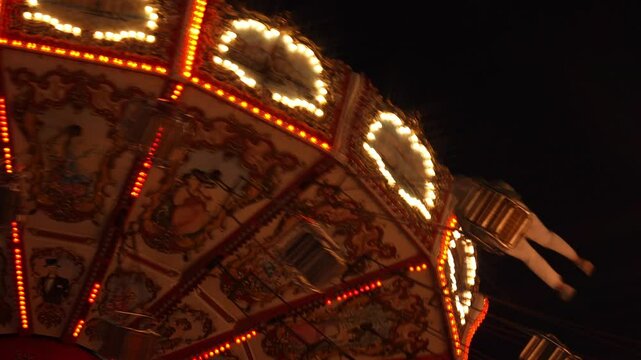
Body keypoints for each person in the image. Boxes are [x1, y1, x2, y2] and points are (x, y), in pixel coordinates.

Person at [453, 177, 594, 301]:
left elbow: (472, 232)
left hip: (500, 233)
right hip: (512, 213)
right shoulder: (466, 182)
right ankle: (576, 261)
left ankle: (560, 282)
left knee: (532, 257)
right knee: (547, 239)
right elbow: (498, 185)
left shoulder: (454, 199)